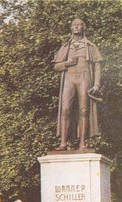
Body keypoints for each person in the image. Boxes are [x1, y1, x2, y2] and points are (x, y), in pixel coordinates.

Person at [52, 18, 103, 150]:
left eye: (79, 24)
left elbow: (97, 65)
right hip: (69, 77)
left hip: (84, 76)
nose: (77, 26)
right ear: (71, 28)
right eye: (74, 24)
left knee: (84, 109)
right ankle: (63, 143)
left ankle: (82, 143)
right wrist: (66, 63)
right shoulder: (65, 47)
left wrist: (96, 85)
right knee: (65, 109)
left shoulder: (90, 46)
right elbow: (56, 67)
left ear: (83, 27)